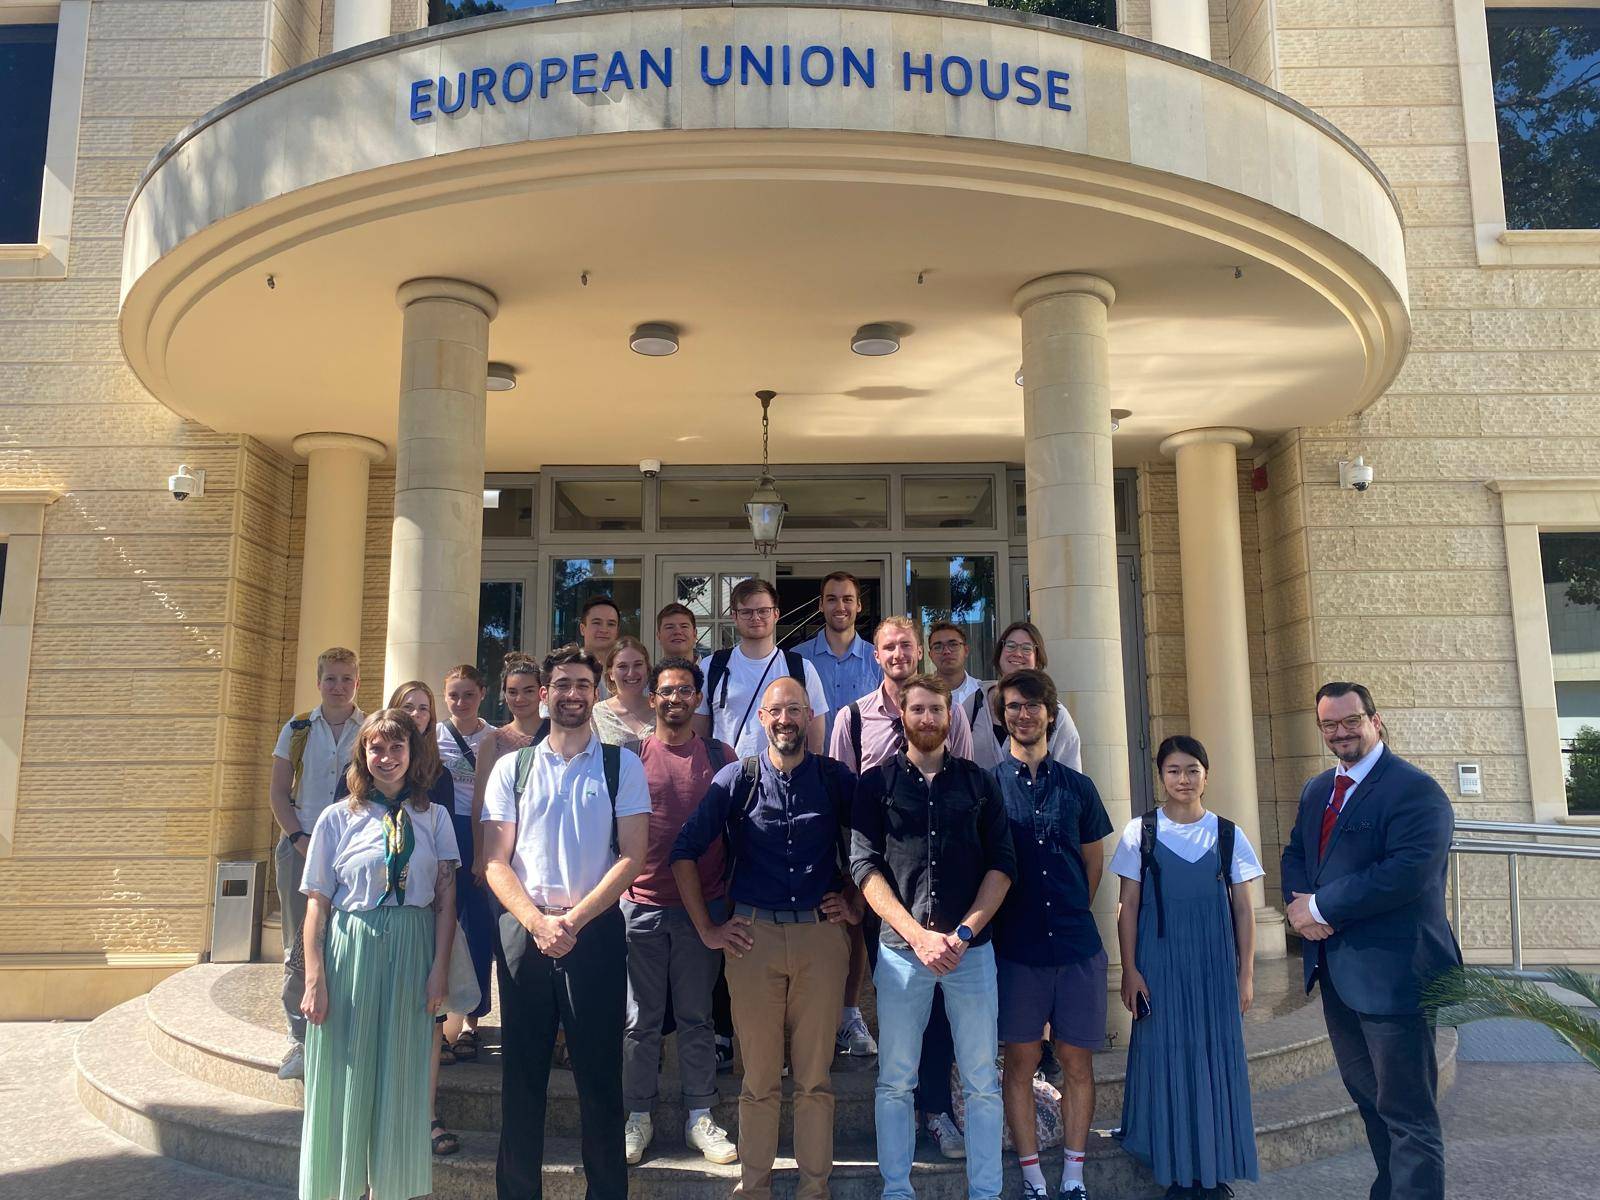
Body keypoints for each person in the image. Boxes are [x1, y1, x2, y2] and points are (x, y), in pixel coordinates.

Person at [671, 676, 862, 1200]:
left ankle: (813, 1189)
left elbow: (877, 844)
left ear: (808, 717)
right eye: (777, 711)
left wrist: (854, 900)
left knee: (814, 1077)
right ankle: (753, 1187)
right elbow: (684, 850)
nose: (785, 720)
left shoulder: (835, 779)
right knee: (758, 1078)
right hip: (750, 941)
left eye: (796, 710)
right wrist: (708, 929)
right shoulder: (737, 779)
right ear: (761, 718)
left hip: (821, 941)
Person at [481, 645, 651, 1200]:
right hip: (524, 932)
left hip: (593, 932)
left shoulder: (621, 764)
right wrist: (536, 922)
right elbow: (493, 861)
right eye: (562, 685)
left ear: (596, 692)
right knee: (522, 1079)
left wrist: (571, 921)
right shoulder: (513, 766)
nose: (572, 694)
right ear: (545, 693)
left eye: (582, 684)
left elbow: (632, 856)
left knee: (600, 1081)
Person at [1281, 683, 1460, 1200]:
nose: (1340, 732)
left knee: (1408, 1114)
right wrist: (1300, 908)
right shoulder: (1319, 789)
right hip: (1338, 973)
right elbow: (1297, 852)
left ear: (1374, 720)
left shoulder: (1414, 790)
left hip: (1396, 978)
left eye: (1350, 721)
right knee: (1369, 1101)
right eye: (1329, 725)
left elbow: (1405, 874)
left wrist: (1320, 907)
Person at [851, 672, 1016, 1200]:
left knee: (981, 1083)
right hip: (902, 955)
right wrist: (917, 936)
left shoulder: (978, 783)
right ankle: (897, 1190)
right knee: (896, 1081)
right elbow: (864, 868)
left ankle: (985, 1193)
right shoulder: (874, 786)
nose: (927, 718)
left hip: (972, 955)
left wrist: (964, 931)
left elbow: (1002, 865)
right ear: (902, 714)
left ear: (952, 718)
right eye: (917, 709)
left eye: (936, 710)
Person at [827, 616, 977, 1148]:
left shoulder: (946, 711)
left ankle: (934, 1105)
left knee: (939, 1007)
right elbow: (842, 807)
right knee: (896, 1002)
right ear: (876, 654)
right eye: (888, 646)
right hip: (882, 891)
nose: (898, 654)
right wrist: (851, 886)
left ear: (920, 653)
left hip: (942, 885)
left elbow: (966, 792)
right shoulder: (852, 718)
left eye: (906, 646)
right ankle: (900, 1107)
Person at [298, 708, 459, 1200]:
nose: (386, 758)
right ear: (363, 755)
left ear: (413, 754)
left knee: (401, 1073)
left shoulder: (434, 817)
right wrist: (314, 977)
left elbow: (446, 900)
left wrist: (439, 970)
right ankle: (343, 1187)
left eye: (396, 748)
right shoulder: (336, 818)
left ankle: (391, 1187)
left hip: (413, 950)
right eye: (376, 748)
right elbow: (317, 905)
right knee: (347, 1070)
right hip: (352, 949)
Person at [1111, 735, 1262, 1200]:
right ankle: (1175, 1171)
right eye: (1173, 770)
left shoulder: (1229, 834)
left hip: (1214, 965)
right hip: (1160, 964)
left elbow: (1243, 910)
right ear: (1160, 776)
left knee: (1215, 1058)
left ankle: (1213, 1174)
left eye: (1192, 769)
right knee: (1167, 1055)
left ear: (1206, 774)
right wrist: (1130, 969)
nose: (1183, 779)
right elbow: (1128, 905)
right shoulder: (1141, 832)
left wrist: (1246, 973)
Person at [990, 669, 1113, 1200]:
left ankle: (1074, 1173)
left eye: (1034, 706)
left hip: (1075, 947)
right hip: (1015, 950)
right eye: (1015, 706)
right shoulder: (988, 787)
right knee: (1018, 1062)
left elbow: (1092, 866)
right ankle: (1034, 1174)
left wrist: (1064, 912)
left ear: (1051, 714)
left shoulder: (1079, 788)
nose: (1024, 714)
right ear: (1004, 715)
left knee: (1076, 1061)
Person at [621, 657, 738, 1166]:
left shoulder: (721, 754)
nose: (675, 699)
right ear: (653, 699)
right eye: (666, 691)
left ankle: (700, 1117)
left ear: (698, 698)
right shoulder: (628, 757)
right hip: (640, 906)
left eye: (684, 691)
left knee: (697, 1019)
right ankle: (636, 1116)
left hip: (703, 910)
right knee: (639, 1022)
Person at [268, 645, 364, 1080]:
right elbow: (277, 793)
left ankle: (340, 1032)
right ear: (318, 682)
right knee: (298, 948)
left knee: (345, 941)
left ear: (357, 683)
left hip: (352, 849)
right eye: (331, 679)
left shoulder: (369, 727)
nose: (338, 687)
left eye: (346, 679)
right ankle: (299, 1039)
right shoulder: (298, 727)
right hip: (301, 846)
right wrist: (300, 838)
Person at [389, 680, 471, 1158]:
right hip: (374, 923)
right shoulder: (365, 764)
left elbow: (443, 865)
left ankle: (426, 1115)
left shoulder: (436, 776)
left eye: (424, 708)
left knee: (430, 1023)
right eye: (408, 706)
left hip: (423, 916)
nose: (417, 714)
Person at [436, 664, 497, 1064]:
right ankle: (439, 1024)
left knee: (479, 929)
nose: (461, 702)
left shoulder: (496, 737)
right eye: (454, 695)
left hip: (481, 833)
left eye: (468, 694)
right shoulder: (432, 738)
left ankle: (473, 1023)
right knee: (440, 926)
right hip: (442, 833)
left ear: (483, 693)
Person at [693, 577, 830, 755]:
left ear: (776, 614)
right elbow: (699, 738)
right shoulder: (712, 666)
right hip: (727, 777)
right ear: (734, 616)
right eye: (746, 612)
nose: (755, 617)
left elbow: (815, 742)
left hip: (786, 778)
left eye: (763, 611)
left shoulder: (801, 669)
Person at [964, 622, 1083, 771]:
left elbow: (1070, 771)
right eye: (1010, 646)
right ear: (1000, 652)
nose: (1018, 653)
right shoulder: (974, 703)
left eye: (1027, 648)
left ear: (1038, 659)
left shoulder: (1055, 713)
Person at [795, 570, 883, 744]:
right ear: (821, 605)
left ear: (859, 605)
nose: (840, 607)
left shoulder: (878, 660)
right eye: (832, 599)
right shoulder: (797, 659)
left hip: (864, 768)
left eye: (847, 599)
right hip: (812, 767)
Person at [593, 636, 655, 746]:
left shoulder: (660, 711)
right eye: (622, 666)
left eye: (638, 665)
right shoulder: (597, 714)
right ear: (611, 674)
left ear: (647, 669)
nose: (631, 673)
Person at [928, 621, 983, 711]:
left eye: (953, 644)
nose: (946, 651)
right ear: (930, 655)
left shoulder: (981, 691)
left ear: (966, 651)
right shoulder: (921, 693)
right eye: (938, 647)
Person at [580, 594, 623, 694]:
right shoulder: (567, 669)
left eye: (611, 624)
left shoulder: (629, 672)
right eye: (596, 623)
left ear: (617, 631)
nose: (604, 630)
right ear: (582, 629)